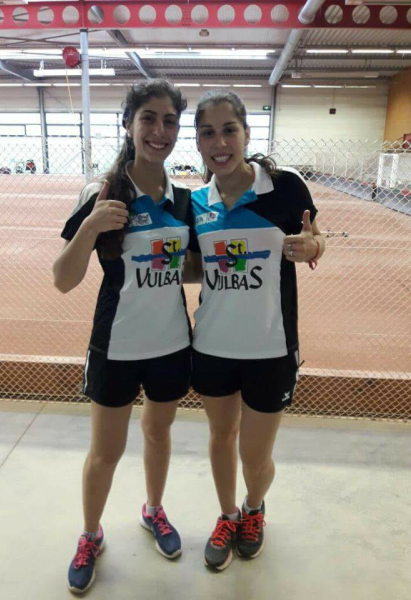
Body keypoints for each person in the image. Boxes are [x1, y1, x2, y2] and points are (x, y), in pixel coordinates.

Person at [53, 80, 194, 594]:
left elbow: (189, 268)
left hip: (172, 344)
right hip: (116, 346)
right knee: (105, 452)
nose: (159, 131)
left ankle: (153, 510)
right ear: (129, 124)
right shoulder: (103, 193)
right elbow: (63, 279)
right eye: (148, 119)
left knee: (158, 434)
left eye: (169, 121)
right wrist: (90, 227)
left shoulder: (186, 200)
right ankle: (90, 534)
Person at [187, 90, 325, 571]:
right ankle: (228, 515)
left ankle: (253, 508)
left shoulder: (286, 188)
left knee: (256, 454)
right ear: (198, 142)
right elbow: (195, 267)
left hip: (271, 347)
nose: (220, 142)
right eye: (208, 133)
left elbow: (314, 239)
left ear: (246, 134)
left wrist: (313, 248)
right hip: (212, 345)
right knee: (221, 437)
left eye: (229, 130)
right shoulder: (196, 202)